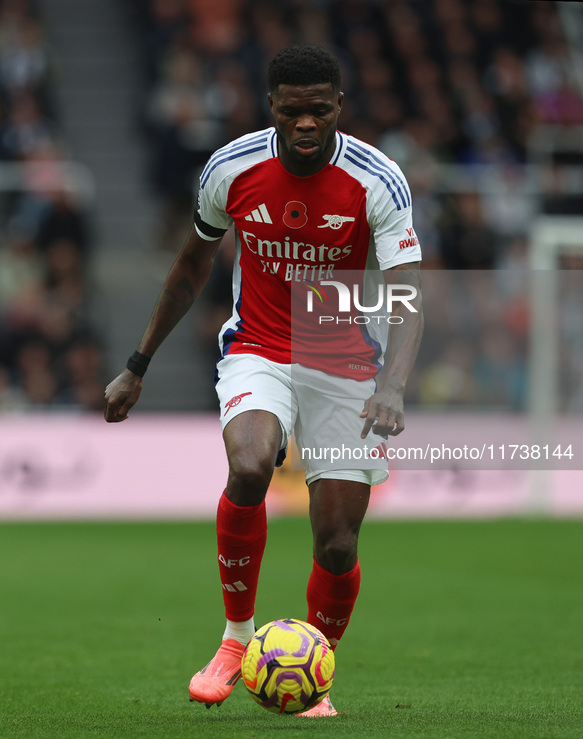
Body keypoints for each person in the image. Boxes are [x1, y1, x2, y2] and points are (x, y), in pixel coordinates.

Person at [104, 44, 423, 717]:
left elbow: (405, 293)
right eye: (292, 109)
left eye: (319, 109)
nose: (306, 122)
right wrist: (137, 365)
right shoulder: (231, 167)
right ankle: (234, 640)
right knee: (249, 462)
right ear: (271, 106)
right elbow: (191, 267)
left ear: (338, 105)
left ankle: (317, 671)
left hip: (346, 363)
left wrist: (392, 384)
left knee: (336, 542)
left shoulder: (378, 180)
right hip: (260, 346)